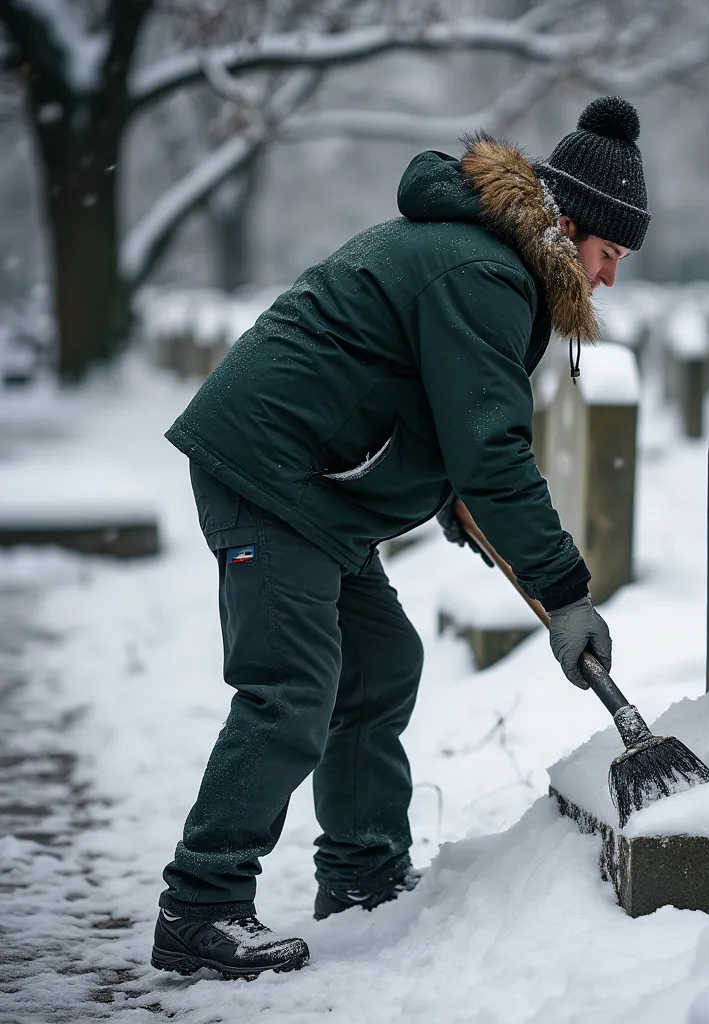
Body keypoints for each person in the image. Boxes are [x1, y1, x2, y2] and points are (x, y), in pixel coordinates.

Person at [151, 94, 650, 979]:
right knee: (291, 689)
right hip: (273, 477)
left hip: (313, 490)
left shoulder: (488, 262)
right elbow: (491, 447)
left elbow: (429, 404)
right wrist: (565, 590)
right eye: (609, 254)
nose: (609, 278)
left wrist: (451, 497)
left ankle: (363, 880)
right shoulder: (485, 274)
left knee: (381, 664)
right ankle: (202, 904)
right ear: (569, 226)